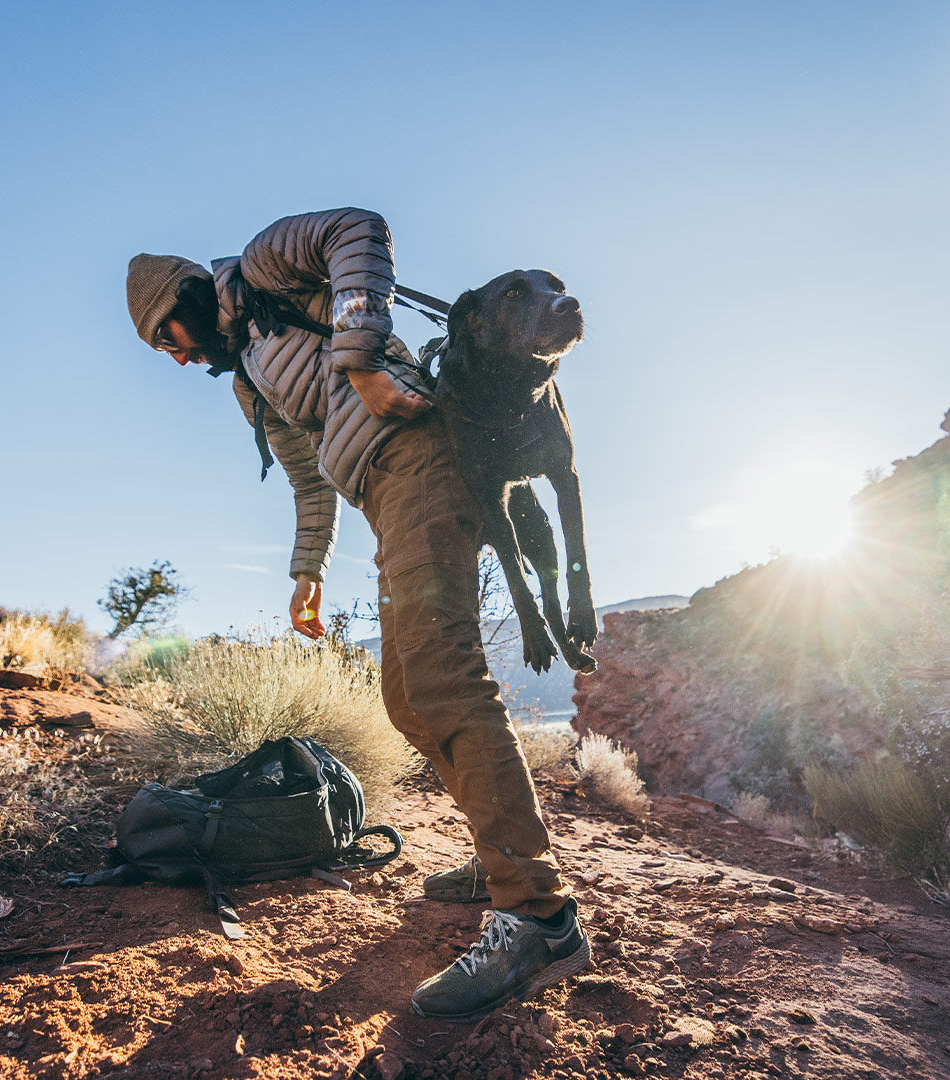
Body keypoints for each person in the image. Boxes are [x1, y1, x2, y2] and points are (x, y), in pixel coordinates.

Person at [125, 207, 590, 1021]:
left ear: (183, 295)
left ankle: (537, 918)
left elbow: (357, 231)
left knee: (445, 678)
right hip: (384, 495)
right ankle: (501, 857)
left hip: (423, 457)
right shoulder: (251, 375)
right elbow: (310, 481)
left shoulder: (264, 270)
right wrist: (306, 571)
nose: (175, 354)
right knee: (407, 698)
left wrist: (366, 362)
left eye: (167, 334)